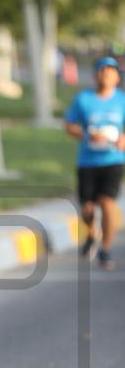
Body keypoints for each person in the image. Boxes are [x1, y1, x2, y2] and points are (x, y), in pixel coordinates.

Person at [65, 56, 125, 270]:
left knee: (108, 204)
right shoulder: (84, 99)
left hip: (113, 161)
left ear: (117, 77)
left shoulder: (122, 100)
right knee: (87, 208)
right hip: (87, 162)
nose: (106, 75)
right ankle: (91, 232)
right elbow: (69, 125)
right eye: (102, 71)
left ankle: (105, 249)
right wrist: (87, 135)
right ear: (96, 75)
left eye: (110, 72)